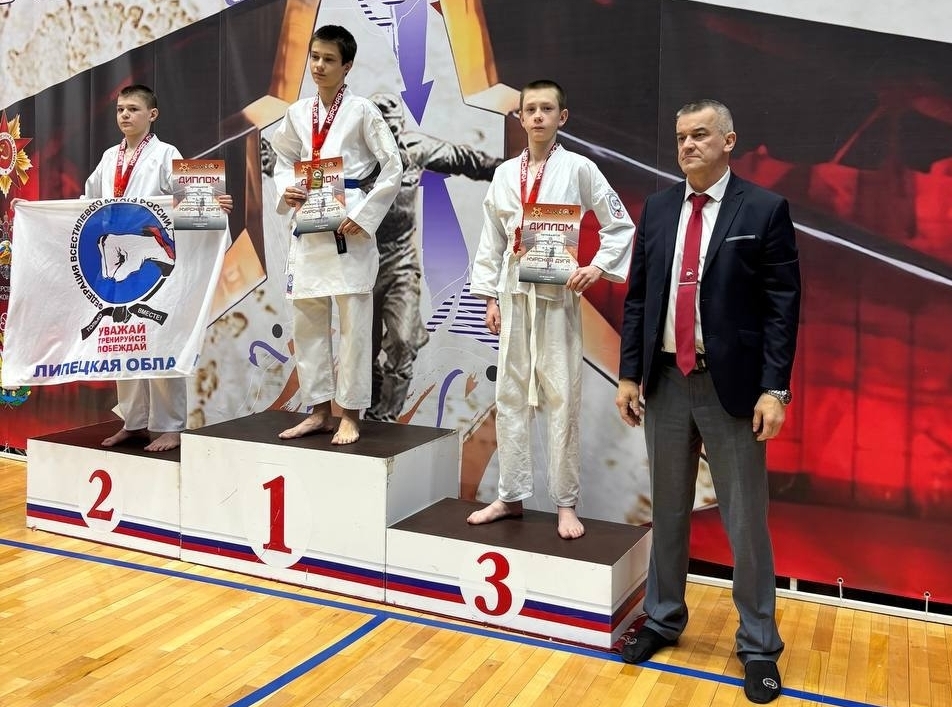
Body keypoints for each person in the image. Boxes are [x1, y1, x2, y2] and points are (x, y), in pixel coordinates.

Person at [615, 99, 800, 704]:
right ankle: (664, 618)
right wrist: (629, 374)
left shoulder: (764, 209)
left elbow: (782, 308)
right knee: (667, 510)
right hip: (666, 382)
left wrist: (775, 389)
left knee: (745, 521)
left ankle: (759, 646)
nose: (688, 145)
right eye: (680, 137)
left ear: (729, 141)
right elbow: (639, 298)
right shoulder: (659, 208)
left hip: (734, 388)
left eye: (700, 135)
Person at [467, 79, 635, 539]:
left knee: (562, 396)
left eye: (547, 109)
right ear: (520, 117)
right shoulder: (505, 174)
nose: (538, 116)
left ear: (562, 117)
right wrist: (489, 298)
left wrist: (597, 267)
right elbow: (491, 239)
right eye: (531, 109)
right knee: (510, 396)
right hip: (513, 294)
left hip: (558, 296)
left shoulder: (580, 168)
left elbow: (619, 225)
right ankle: (510, 495)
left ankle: (565, 503)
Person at [269, 25, 402, 445]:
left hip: (349, 226)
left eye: (329, 59)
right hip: (309, 224)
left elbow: (393, 165)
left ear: (347, 66)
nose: (319, 66)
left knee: (354, 327)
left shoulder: (362, 110)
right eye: (314, 57)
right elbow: (282, 158)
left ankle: (350, 414)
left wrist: (365, 215)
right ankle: (318, 410)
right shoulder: (297, 113)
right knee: (307, 322)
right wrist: (287, 188)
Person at [83, 84, 233, 452]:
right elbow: (87, 204)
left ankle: (171, 426)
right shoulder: (108, 158)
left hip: (154, 261)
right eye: (120, 109)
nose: (125, 115)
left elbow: (191, 202)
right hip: (118, 262)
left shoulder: (166, 154)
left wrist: (213, 205)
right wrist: (43, 214)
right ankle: (134, 422)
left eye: (133, 109)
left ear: (152, 115)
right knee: (123, 341)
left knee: (160, 341)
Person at [364, 91, 502, 423]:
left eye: (392, 130)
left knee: (402, 340)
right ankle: (370, 407)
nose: (386, 139)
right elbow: (310, 177)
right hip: (359, 263)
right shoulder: (348, 153)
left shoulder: (415, 148)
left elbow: (464, 159)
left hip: (399, 262)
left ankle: (386, 417)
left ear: (399, 128)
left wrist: (512, 171)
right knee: (361, 350)